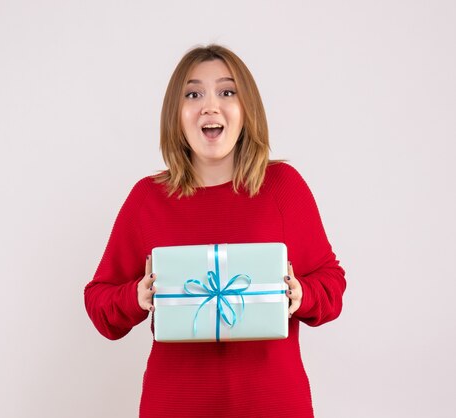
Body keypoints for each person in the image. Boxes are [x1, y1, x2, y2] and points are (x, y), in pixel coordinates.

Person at [84, 44, 346, 418]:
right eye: (193, 94)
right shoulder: (148, 198)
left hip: (272, 404)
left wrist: (300, 293)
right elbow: (99, 303)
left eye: (227, 92)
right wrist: (135, 296)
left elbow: (332, 284)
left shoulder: (283, 187)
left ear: (247, 110)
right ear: (176, 114)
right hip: (175, 405)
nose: (209, 105)